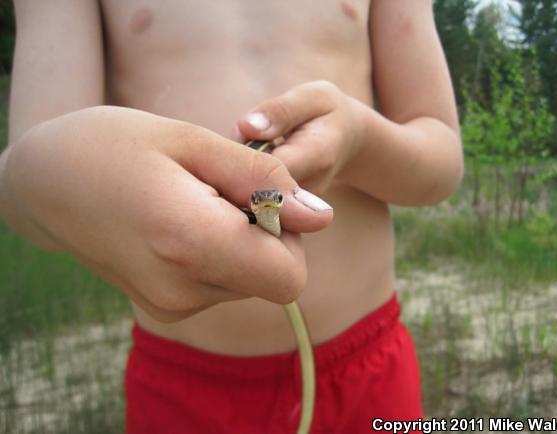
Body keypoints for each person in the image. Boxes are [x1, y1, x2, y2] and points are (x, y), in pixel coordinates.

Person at [0, 0, 463, 433]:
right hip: (181, 388)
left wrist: (359, 142)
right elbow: (19, 183)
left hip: (368, 369)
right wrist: (71, 176)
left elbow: (443, 160)